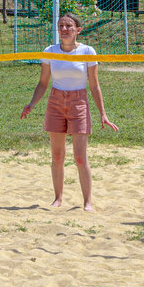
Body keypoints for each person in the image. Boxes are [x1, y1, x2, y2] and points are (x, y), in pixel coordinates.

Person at [20, 13, 118, 211]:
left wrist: (103, 114)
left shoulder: (88, 51)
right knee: (57, 156)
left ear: (78, 30)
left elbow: (94, 85)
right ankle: (58, 198)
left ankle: (87, 202)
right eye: (61, 26)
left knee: (80, 158)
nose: (64, 29)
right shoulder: (50, 51)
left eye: (68, 26)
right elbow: (43, 83)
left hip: (79, 102)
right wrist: (31, 104)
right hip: (55, 102)